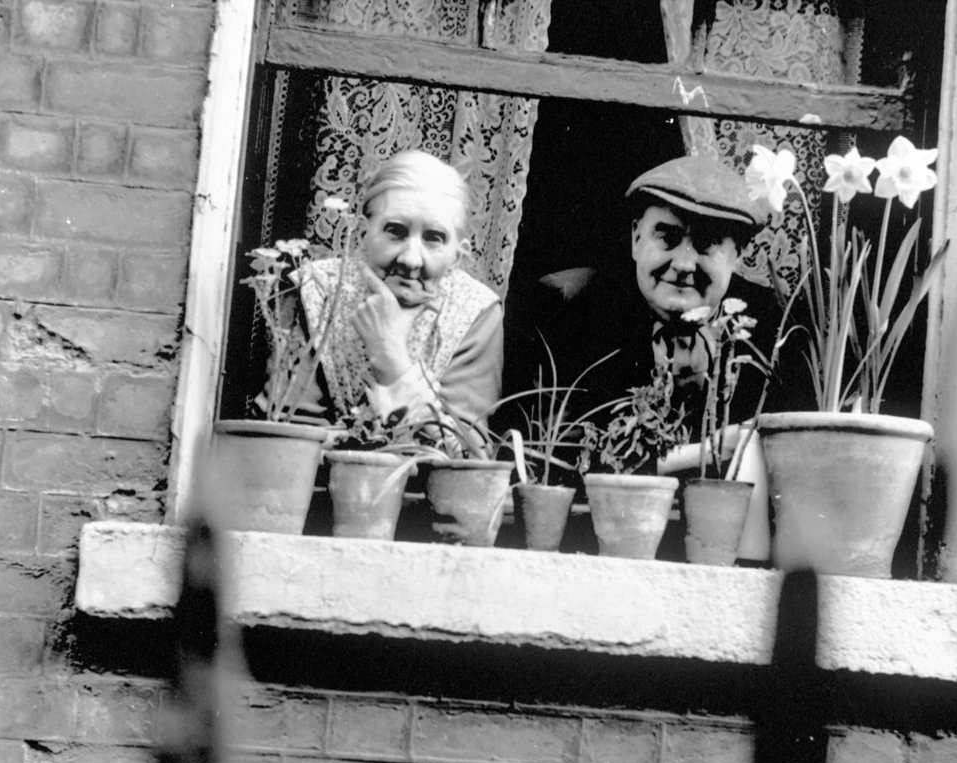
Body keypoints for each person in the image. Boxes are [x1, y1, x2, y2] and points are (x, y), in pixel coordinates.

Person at [504, 154, 805, 558]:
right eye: (667, 237)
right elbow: (549, 463)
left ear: (737, 257)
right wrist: (701, 452)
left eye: (706, 244)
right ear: (635, 238)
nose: (683, 264)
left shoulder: (775, 328)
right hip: (596, 550)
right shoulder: (571, 310)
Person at [293, 149, 503, 435]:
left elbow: (464, 457)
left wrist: (390, 356)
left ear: (457, 255)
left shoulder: (477, 311)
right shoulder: (316, 290)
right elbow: (291, 437)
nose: (411, 259)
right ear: (363, 233)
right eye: (395, 231)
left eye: (434, 238)